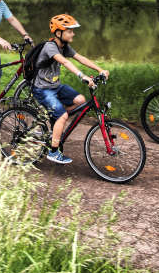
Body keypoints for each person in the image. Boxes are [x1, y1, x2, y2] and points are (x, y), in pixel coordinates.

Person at [31, 14, 109, 164]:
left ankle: (57, 121)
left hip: (55, 86)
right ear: (59, 33)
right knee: (62, 116)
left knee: (80, 100)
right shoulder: (50, 47)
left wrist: (100, 69)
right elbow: (65, 62)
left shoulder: (64, 46)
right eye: (69, 31)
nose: (73, 33)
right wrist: (83, 76)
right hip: (42, 89)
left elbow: (80, 58)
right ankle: (53, 152)